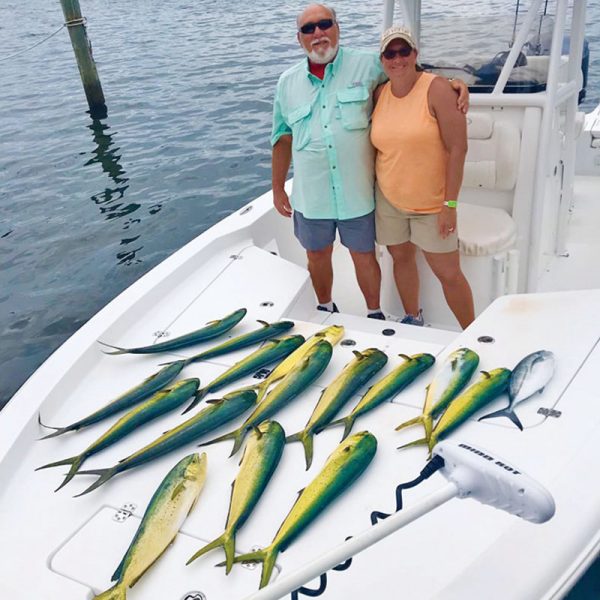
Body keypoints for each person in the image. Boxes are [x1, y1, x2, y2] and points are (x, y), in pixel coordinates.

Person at [271, 4, 468, 319]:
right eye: (309, 29)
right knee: (316, 255)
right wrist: (278, 187)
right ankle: (325, 307)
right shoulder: (286, 83)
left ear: (337, 28)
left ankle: (374, 313)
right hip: (312, 194)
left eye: (324, 24)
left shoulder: (368, 66)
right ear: (299, 39)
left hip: (357, 192)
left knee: (364, 255)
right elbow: (281, 139)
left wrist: (451, 84)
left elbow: (410, 75)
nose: (318, 33)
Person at [371, 26, 475, 329]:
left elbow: (459, 148)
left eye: (404, 51)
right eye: (390, 53)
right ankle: (413, 317)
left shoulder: (438, 89)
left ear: (415, 54)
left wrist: (450, 204)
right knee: (401, 259)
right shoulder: (379, 93)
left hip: (432, 204)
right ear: (382, 59)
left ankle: (474, 332)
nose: (398, 59)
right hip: (389, 200)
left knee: (448, 273)